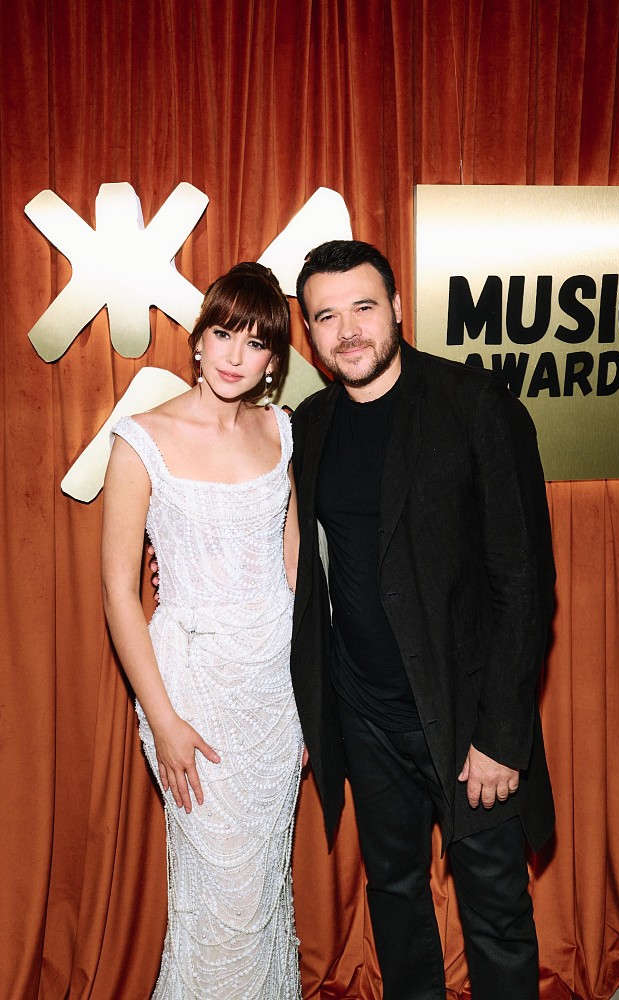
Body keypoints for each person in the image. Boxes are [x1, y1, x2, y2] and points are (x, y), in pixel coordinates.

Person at [289, 240, 556, 1000]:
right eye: (326, 316)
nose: (348, 331)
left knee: (495, 911)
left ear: (398, 308)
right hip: (364, 715)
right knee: (395, 897)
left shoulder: (474, 405)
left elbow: (525, 583)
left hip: (466, 715)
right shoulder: (311, 424)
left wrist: (501, 735)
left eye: (363, 307)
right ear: (309, 332)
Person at [101, 263, 304, 1000]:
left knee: (262, 886)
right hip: (190, 690)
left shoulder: (280, 431)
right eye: (223, 333)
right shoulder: (142, 440)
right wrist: (162, 718)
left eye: (254, 343)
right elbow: (119, 591)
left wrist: (310, 700)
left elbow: (295, 574)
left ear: (273, 360)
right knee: (221, 889)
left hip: (274, 695)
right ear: (198, 339)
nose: (233, 356)